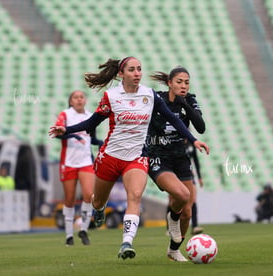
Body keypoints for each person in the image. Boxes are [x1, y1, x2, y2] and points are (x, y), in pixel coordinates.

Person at [49, 57, 209, 260]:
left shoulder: (149, 95)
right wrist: (67, 129)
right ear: (120, 74)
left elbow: (174, 119)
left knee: (134, 197)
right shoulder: (112, 96)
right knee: (98, 201)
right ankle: (98, 208)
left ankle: (126, 243)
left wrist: (193, 140)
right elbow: (92, 123)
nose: (137, 73)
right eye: (132, 69)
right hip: (110, 156)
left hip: (136, 158)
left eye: (139, 69)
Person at [146, 66, 206, 261]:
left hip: (180, 157)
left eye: (186, 82)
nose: (183, 86)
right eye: (179, 82)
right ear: (170, 83)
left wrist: (184, 104)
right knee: (182, 195)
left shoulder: (190, 100)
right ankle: (172, 219)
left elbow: (201, 127)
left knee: (187, 212)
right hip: (158, 156)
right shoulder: (158, 99)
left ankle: (173, 250)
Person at [54, 90, 103, 246]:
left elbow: (92, 138)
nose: (79, 100)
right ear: (71, 101)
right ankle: (69, 235)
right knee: (70, 199)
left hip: (85, 161)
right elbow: (58, 133)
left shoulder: (90, 117)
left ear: (85, 100)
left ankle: (84, 230)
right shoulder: (65, 115)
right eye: (76, 97)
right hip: (68, 162)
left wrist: (102, 143)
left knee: (89, 195)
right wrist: (74, 136)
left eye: (82, 97)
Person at [186, 141, 204, 235]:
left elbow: (196, 161)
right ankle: (170, 227)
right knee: (173, 201)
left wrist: (199, 177)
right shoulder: (175, 143)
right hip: (176, 174)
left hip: (189, 174)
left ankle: (195, 226)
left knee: (193, 199)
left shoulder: (191, 146)